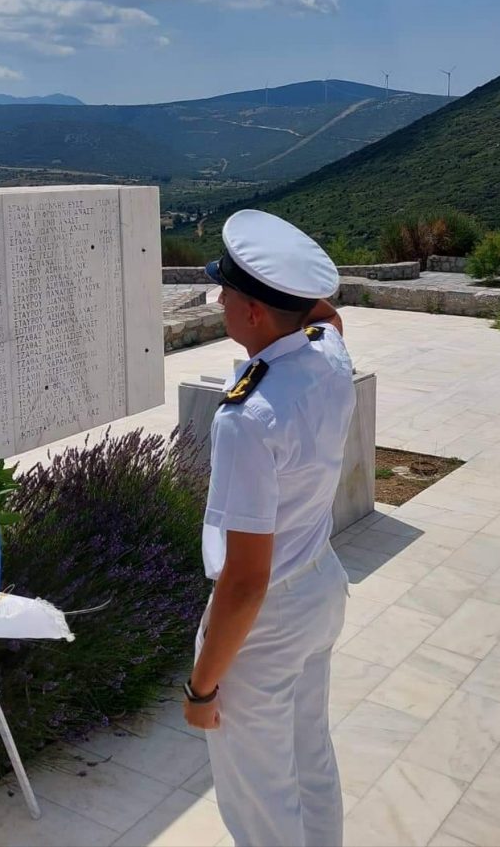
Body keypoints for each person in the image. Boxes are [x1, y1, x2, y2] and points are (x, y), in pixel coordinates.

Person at [183, 209, 356, 847]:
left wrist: (201, 686)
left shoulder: (249, 419)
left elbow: (247, 580)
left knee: (260, 800)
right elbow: (327, 316)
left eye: (227, 291)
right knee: (311, 758)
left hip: (269, 618)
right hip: (320, 587)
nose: (218, 298)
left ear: (255, 312)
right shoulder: (329, 358)